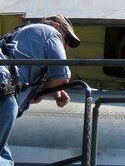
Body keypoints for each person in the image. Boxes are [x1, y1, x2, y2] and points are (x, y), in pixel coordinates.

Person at [0, 15, 79, 164]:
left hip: (6, 90)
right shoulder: (50, 32)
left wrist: (51, 91)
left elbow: (43, 83)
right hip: (4, 91)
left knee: (5, 159)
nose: (66, 46)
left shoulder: (23, 38)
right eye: (66, 40)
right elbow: (62, 77)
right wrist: (52, 88)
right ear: (56, 26)